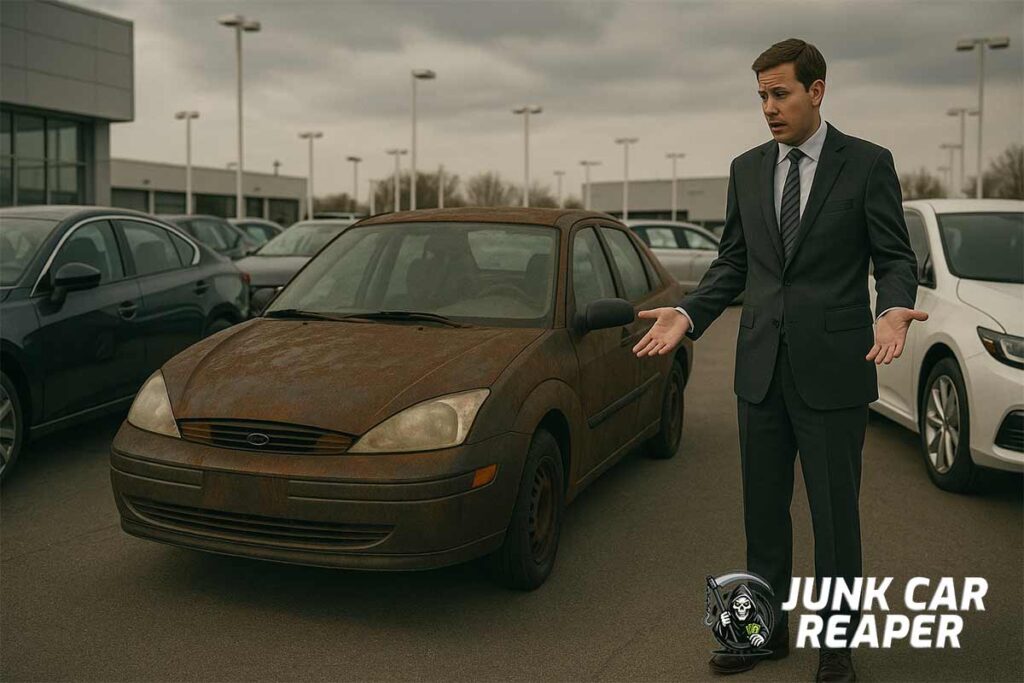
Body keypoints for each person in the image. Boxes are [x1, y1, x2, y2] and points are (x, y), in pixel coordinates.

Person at [632, 38, 927, 682]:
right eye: (761, 95)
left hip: (834, 369)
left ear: (816, 90)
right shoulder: (745, 168)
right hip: (759, 368)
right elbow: (734, 261)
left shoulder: (868, 163)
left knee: (834, 519)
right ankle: (757, 634)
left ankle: (836, 652)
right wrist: (688, 314)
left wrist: (893, 306)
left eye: (780, 93)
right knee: (762, 514)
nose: (768, 107)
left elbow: (895, 258)